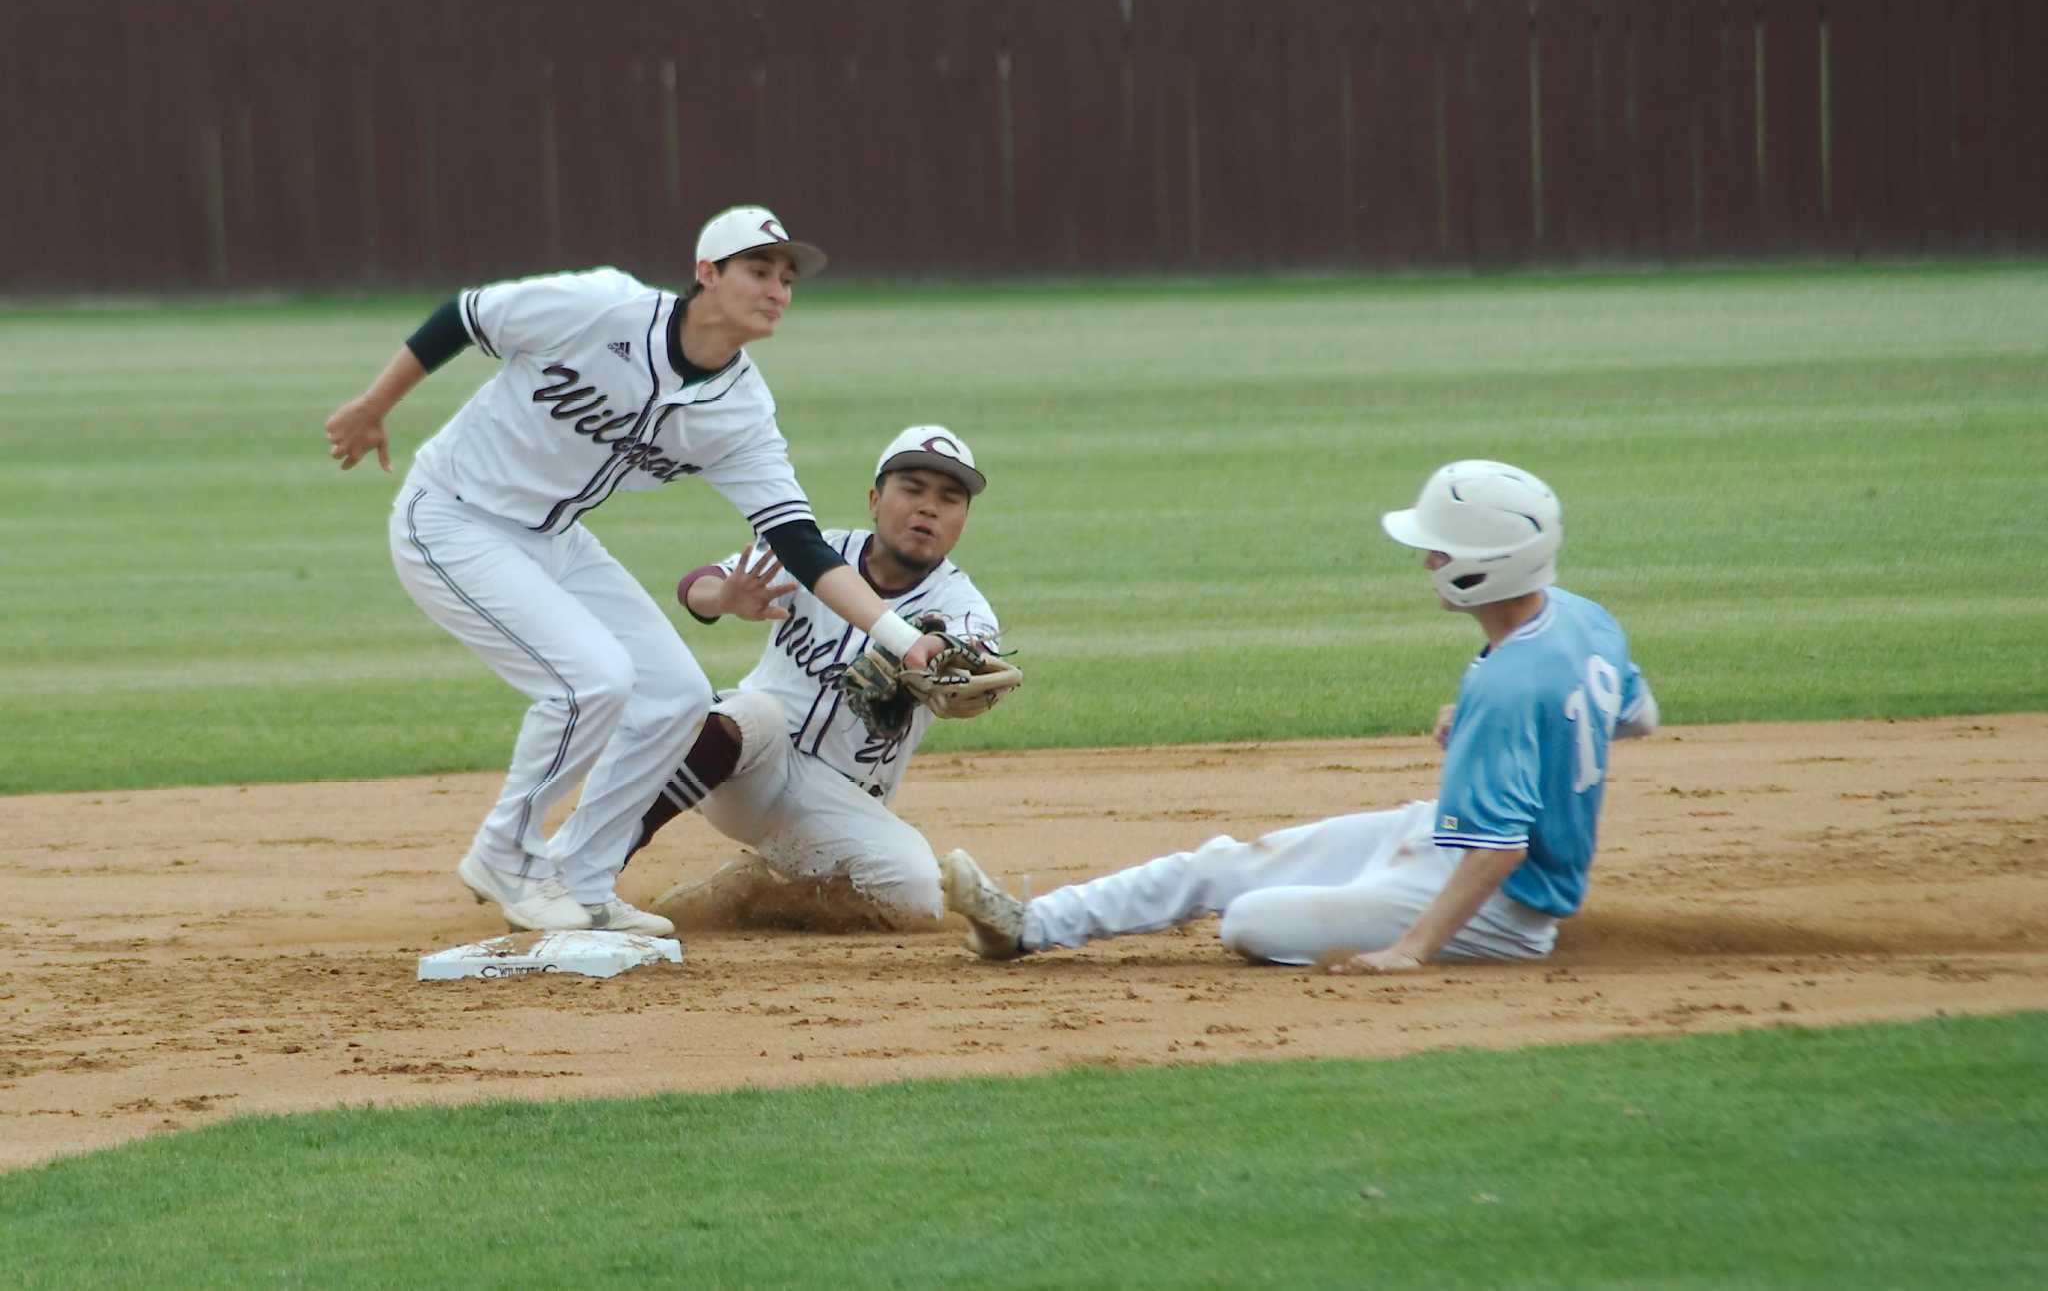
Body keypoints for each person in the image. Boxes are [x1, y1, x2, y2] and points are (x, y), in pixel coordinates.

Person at [322, 206, 947, 937]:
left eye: (786, 278)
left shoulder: (739, 410)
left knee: (678, 695)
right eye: (757, 270)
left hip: (552, 537)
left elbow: (802, 544)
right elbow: (467, 314)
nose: (777, 288)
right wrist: (374, 404)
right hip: (452, 517)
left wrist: (903, 638)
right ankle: (504, 854)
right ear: (706, 273)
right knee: (592, 681)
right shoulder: (604, 306)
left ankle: (583, 877)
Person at [940, 459, 1658, 972]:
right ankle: (1028, 925)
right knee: (1228, 863)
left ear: (1486, 563)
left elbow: (1499, 846)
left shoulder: (1507, 684)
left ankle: (1389, 918)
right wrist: (1512, 732)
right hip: (1444, 836)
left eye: (1439, 548)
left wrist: (1411, 949)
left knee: (1251, 918)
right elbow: (1632, 713)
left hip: (1503, 905)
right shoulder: (1582, 619)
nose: (1427, 560)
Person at [629, 425, 1006, 928]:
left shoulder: (962, 605)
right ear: (875, 499)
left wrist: (936, 651)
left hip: (836, 808)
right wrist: (725, 598)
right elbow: (693, 584)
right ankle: (601, 860)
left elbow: (975, 646)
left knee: (920, 899)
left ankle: (761, 890)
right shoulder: (816, 554)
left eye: (949, 498)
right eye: (912, 489)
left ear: (962, 519)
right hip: (743, 767)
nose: (929, 507)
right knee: (753, 711)